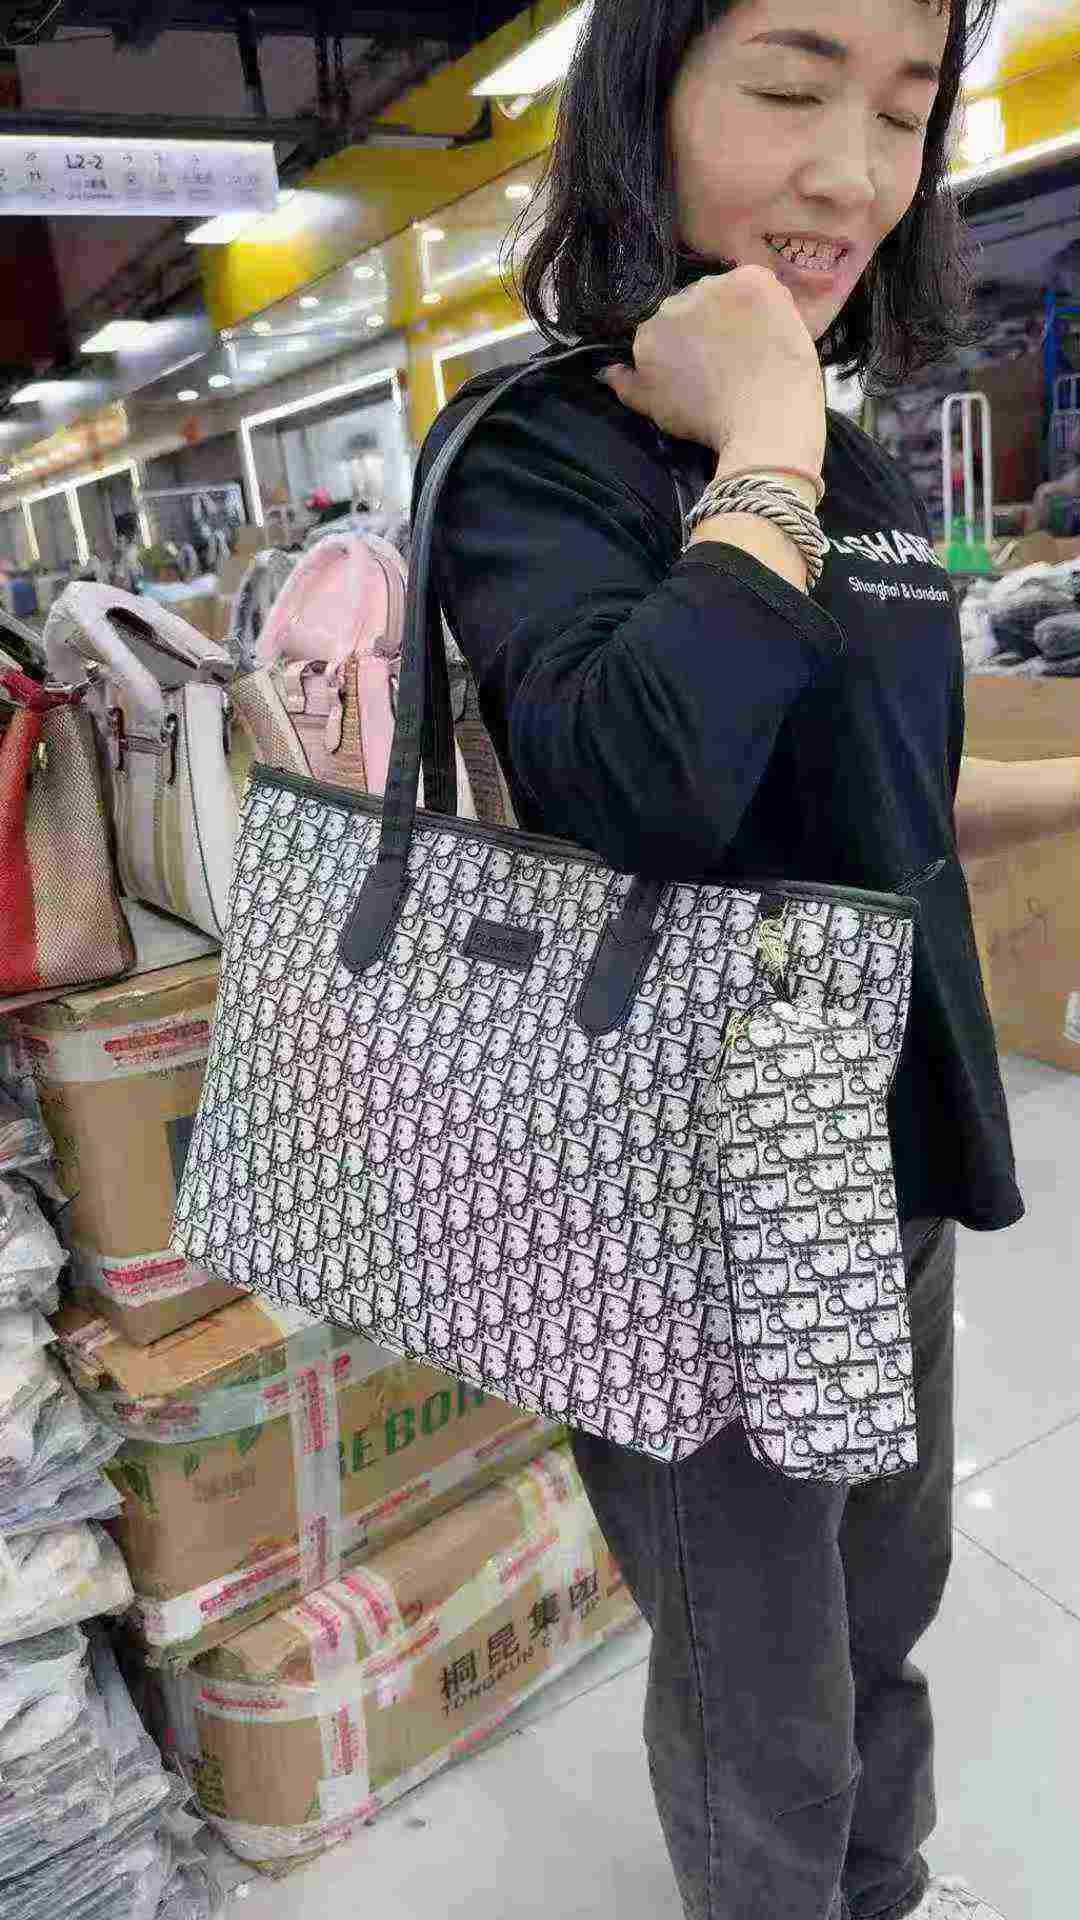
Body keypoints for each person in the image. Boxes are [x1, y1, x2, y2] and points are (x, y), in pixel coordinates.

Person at [414, 3, 1032, 1916]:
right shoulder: (537, 453)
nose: (854, 172)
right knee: (762, 1682)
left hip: (889, 1138)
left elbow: (882, 793)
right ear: (643, 101)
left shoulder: (857, 468)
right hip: (687, 1191)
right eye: (788, 87)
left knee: (886, 1600)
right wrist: (763, 428)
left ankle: (881, 1888)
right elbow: (642, 786)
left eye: (904, 114)